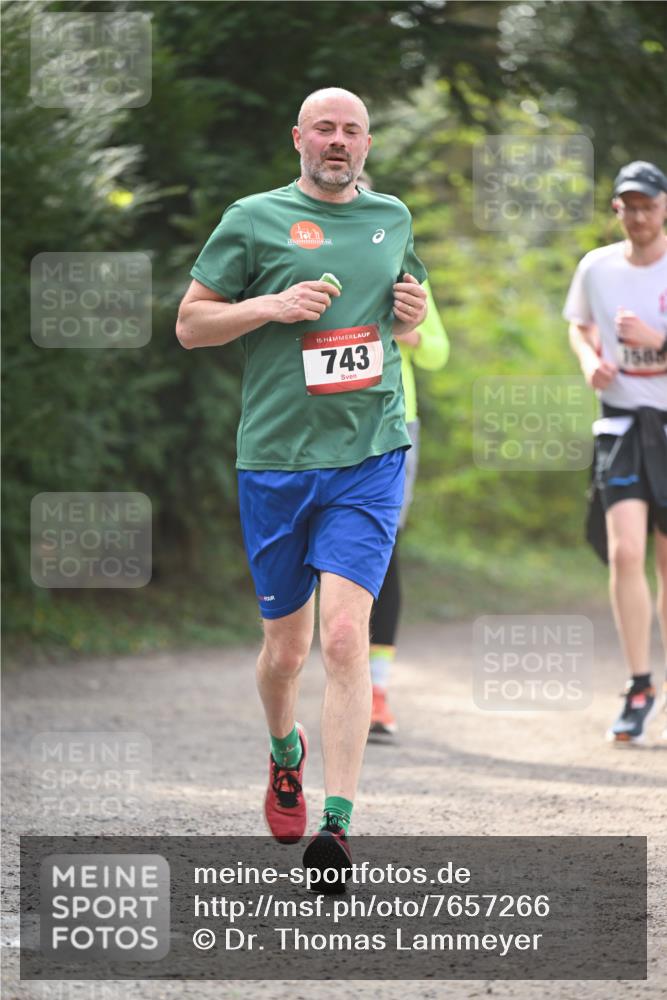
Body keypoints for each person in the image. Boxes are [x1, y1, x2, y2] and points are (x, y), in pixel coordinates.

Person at [176, 88, 427, 883]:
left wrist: (413, 309)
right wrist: (270, 306)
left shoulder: (393, 217)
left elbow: (407, 319)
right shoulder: (252, 218)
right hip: (278, 461)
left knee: (344, 639)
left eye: (353, 130)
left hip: (371, 452)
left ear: (367, 143)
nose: (338, 141)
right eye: (325, 127)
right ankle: (285, 750)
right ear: (298, 138)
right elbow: (190, 323)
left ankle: (339, 826)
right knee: (283, 654)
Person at [564, 160, 667, 745]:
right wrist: (590, 361)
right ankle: (638, 684)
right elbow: (579, 326)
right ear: (616, 210)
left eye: (648, 205)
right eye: (628, 205)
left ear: (664, 208)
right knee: (626, 552)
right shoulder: (596, 267)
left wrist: (658, 344)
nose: (638, 215)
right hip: (622, 426)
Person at [355, 173, 450, 736]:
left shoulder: (406, 269)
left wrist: (409, 331)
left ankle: (378, 693)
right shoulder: (307, 266)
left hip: (394, 425)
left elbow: (437, 351)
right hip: (322, 424)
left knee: (381, 553)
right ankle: (337, 685)